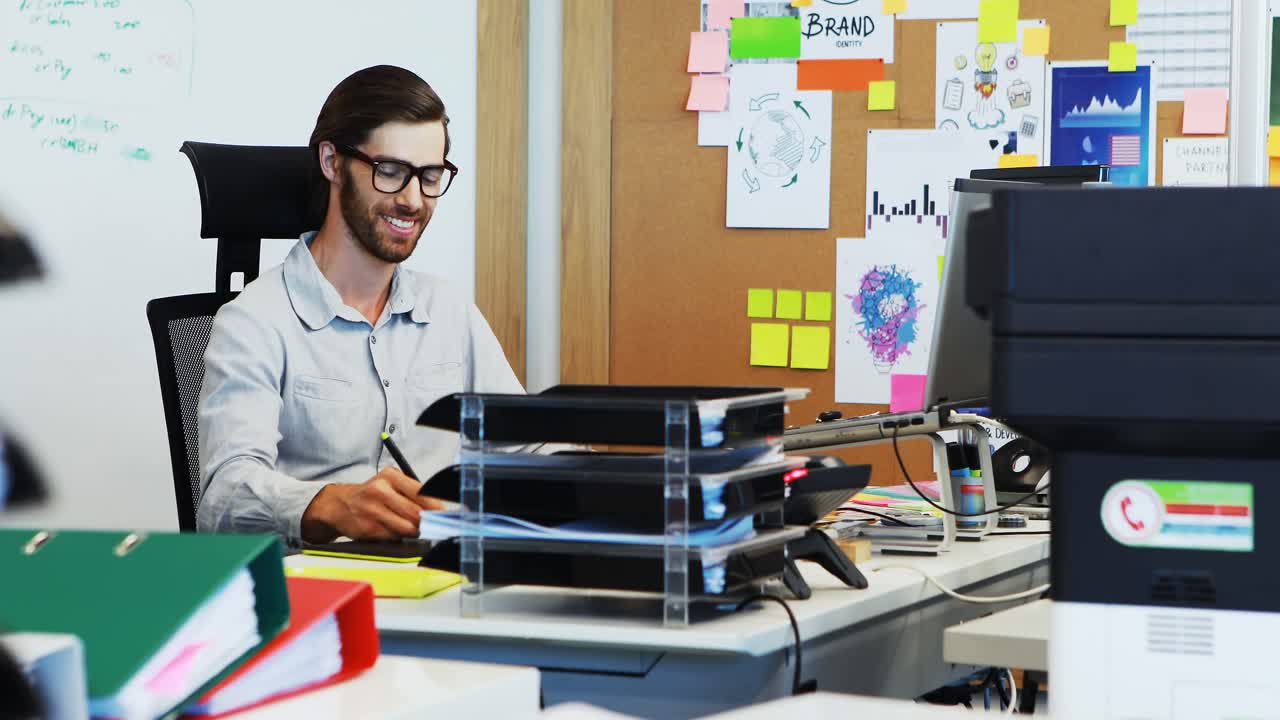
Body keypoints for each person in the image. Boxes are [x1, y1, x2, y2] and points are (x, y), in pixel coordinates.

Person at [197, 65, 522, 543]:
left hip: (444, 584)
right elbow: (222, 499)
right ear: (331, 162)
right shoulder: (254, 321)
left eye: (430, 175)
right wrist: (329, 504)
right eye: (390, 171)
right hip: (319, 592)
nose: (413, 199)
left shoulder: (449, 310)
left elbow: (527, 446)